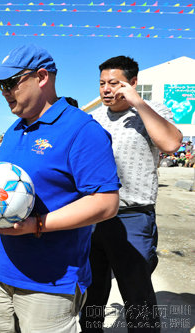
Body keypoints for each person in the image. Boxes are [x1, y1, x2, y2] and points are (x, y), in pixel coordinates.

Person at [0, 44, 121, 332]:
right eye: (0, 87)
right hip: (0, 274)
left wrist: (38, 225)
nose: (5, 92)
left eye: (10, 83)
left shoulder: (82, 130)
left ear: (42, 77)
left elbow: (106, 203)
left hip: (51, 283)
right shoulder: (13, 131)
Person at [80, 56, 182, 332]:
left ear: (132, 82)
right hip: (92, 216)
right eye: (102, 83)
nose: (106, 89)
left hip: (132, 217)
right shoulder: (92, 119)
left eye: (114, 83)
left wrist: (139, 102)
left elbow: (172, 143)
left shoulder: (152, 111)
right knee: (92, 291)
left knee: (137, 294)